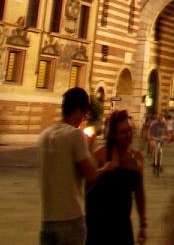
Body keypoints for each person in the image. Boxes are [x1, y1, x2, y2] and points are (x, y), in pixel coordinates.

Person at [38, 87, 113, 245]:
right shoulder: (75, 135)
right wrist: (103, 165)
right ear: (78, 110)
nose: (84, 118)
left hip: (47, 220)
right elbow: (91, 175)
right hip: (70, 219)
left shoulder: (45, 135)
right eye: (84, 113)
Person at [86, 110, 147, 245]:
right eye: (123, 132)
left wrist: (143, 224)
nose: (128, 135)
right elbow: (86, 184)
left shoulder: (137, 158)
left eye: (130, 130)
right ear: (113, 135)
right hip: (99, 226)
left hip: (123, 227)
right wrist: (101, 170)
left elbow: (140, 193)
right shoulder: (101, 154)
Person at [146, 113, 168, 178]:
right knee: (155, 150)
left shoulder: (163, 124)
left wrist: (167, 136)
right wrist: (149, 137)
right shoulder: (153, 123)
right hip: (154, 138)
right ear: (157, 119)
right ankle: (154, 163)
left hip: (160, 138)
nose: (161, 120)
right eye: (159, 119)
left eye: (161, 119)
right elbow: (149, 131)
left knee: (160, 151)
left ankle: (160, 164)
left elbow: (167, 131)